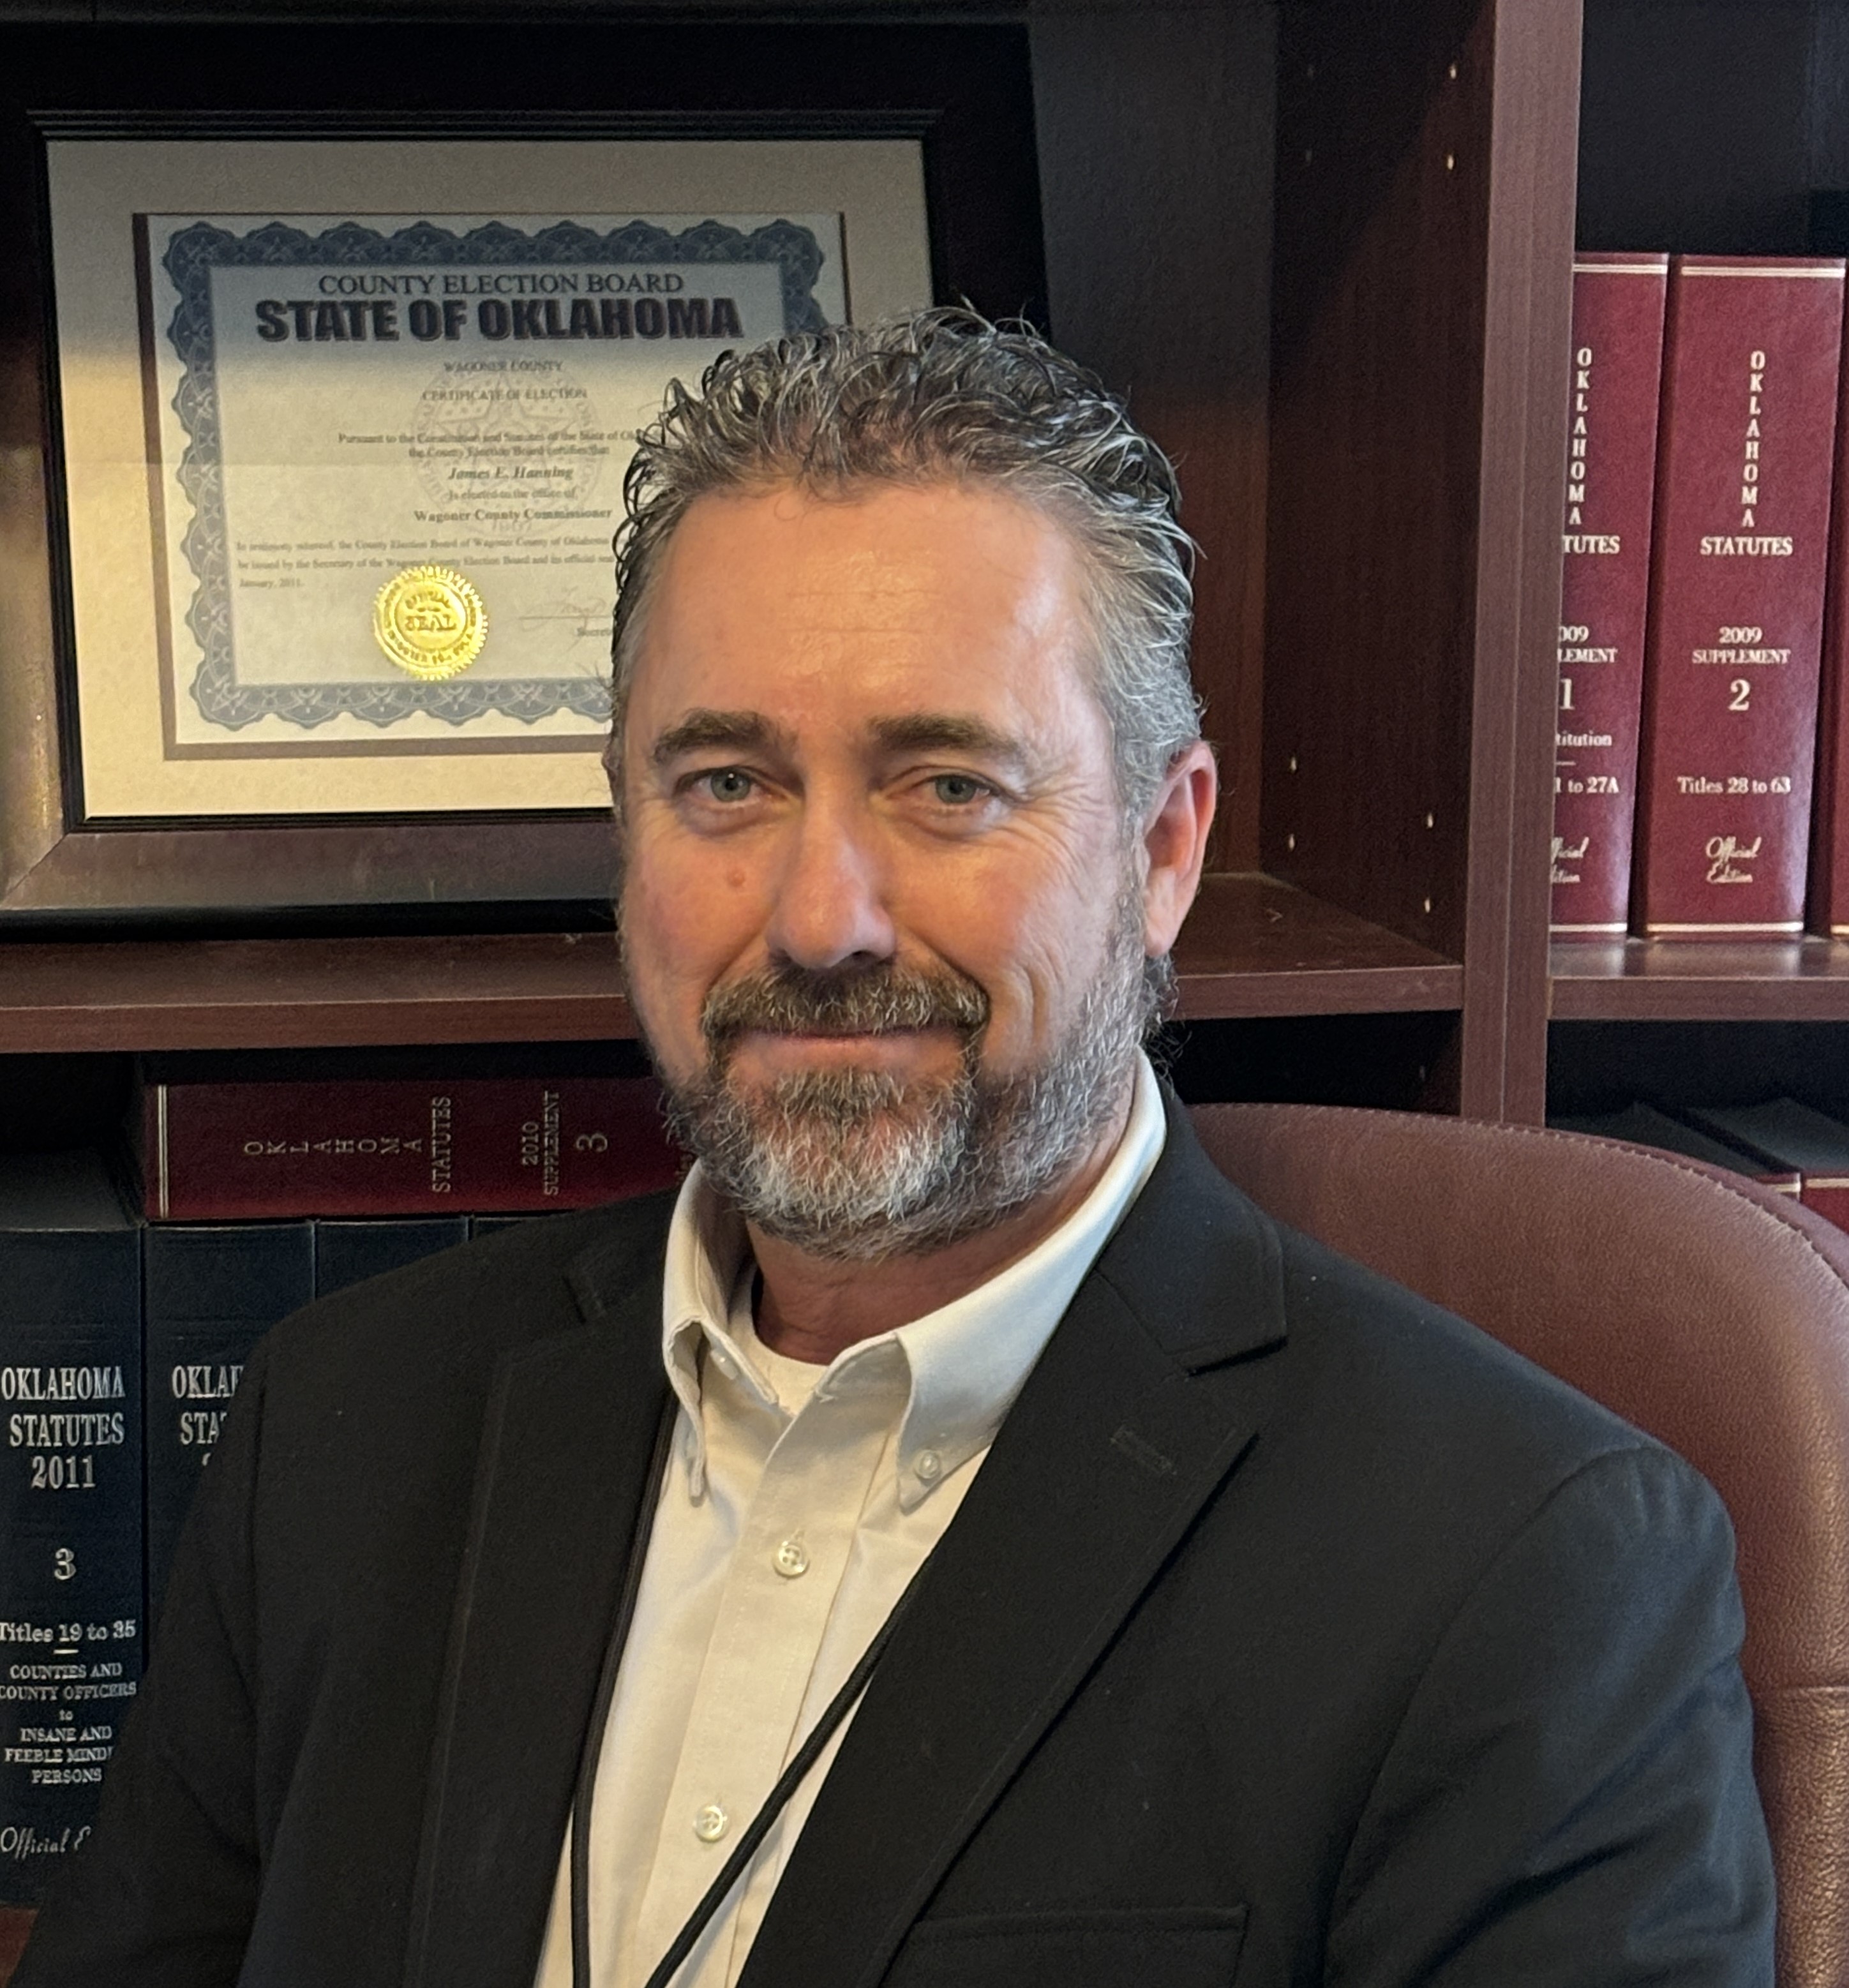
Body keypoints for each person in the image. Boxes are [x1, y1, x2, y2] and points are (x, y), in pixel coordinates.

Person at [17, 310, 1772, 1988]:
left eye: (946, 786)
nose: (820, 914)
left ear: (1163, 849)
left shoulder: (1522, 1570)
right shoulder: (340, 1427)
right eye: (725, 783)